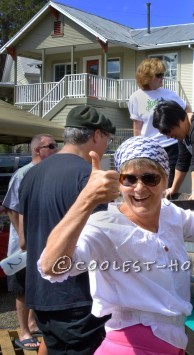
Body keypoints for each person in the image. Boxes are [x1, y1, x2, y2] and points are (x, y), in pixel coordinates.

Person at [38, 136, 194, 354]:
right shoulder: (103, 225)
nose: (139, 187)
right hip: (130, 344)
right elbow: (51, 267)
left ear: (165, 181)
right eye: (129, 178)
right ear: (119, 183)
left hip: (170, 342)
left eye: (150, 178)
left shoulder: (168, 213)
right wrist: (86, 200)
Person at [18, 106, 116, 354]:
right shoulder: (90, 179)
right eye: (107, 138)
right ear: (96, 135)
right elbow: (100, 242)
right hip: (78, 298)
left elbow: (26, 232)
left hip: (40, 293)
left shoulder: (31, 174)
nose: (106, 144)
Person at [2, 134, 58, 351]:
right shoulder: (23, 174)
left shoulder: (48, 172)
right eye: (51, 146)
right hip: (24, 245)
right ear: (38, 150)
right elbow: (11, 208)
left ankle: (33, 324)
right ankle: (24, 330)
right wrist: (23, 237)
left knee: (38, 283)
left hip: (42, 242)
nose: (56, 149)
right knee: (22, 288)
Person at [129, 57, 191, 187]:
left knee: (169, 184)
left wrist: (185, 134)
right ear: (147, 76)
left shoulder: (169, 94)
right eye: (159, 75)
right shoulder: (136, 97)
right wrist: (137, 149)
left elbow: (187, 110)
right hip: (149, 148)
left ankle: (167, 207)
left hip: (173, 144)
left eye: (163, 74)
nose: (162, 78)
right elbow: (137, 127)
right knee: (152, 183)